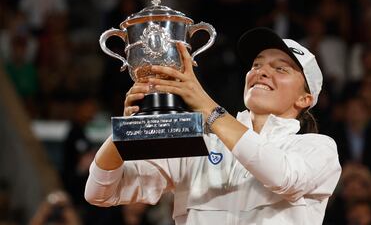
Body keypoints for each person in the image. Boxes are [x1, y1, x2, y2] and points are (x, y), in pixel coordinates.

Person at [85, 27, 342, 224]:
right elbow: (100, 192)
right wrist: (129, 130)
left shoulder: (318, 148)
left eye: (281, 69)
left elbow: (283, 177)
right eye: (256, 65)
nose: (262, 72)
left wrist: (206, 105)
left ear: (304, 99)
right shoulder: (201, 143)